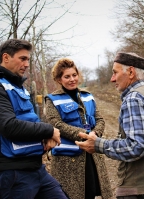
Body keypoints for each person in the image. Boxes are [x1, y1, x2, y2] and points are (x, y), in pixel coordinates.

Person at [0, 39, 69, 199]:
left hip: (36, 169)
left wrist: (45, 137)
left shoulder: (18, 87)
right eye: (22, 58)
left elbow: (30, 120)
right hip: (13, 173)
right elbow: (9, 126)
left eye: (28, 59)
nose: (26, 64)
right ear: (6, 57)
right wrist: (49, 130)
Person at [76, 52, 144, 199]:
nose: (112, 78)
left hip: (139, 190)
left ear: (131, 72)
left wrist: (98, 145)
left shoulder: (134, 98)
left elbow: (139, 146)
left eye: (115, 72)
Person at [44, 58, 113, 199]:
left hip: (91, 155)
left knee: (91, 193)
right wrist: (83, 134)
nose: (72, 79)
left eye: (74, 75)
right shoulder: (52, 99)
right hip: (67, 160)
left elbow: (99, 119)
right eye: (67, 76)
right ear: (59, 79)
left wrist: (95, 133)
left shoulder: (88, 96)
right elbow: (56, 124)